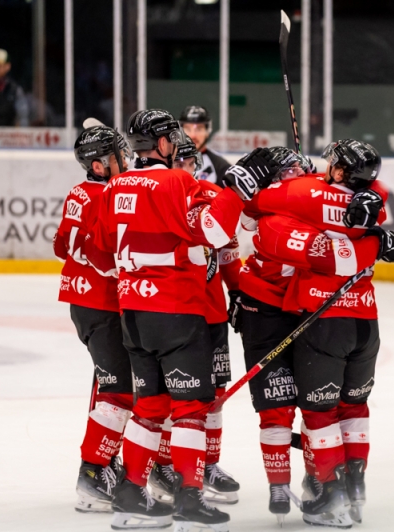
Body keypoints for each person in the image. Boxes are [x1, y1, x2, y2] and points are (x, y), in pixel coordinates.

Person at [91, 108, 279, 531]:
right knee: (192, 408)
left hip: (133, 313)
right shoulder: (178, 181)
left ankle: (130, 496)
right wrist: (234, 192)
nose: (178, 143)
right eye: (172, 137)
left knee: (150, 406)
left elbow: (104, 249)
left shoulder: (114, 186)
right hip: (176, 312)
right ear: (159, 144)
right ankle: (190, 500)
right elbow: (213, 231)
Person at [240, 140, 394, 527]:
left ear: (341, 171)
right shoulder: (372, 199)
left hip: (324, 320)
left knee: (320, 412)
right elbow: (373, 198)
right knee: (354, 409)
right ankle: (354, 487)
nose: (323, 165)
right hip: (366, 321)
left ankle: (330, 494)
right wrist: (379, 238)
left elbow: (257, 209)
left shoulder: (300, 196)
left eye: (332, 163)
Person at [147, 132, 242, 506]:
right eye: (182, 163)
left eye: (193, 164)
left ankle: (207, 464)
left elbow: (230, 248)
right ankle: (166, 465)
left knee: (214, 396)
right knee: (177, 397)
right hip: (177, 313)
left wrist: (239, 293)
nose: (189, 169)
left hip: (212, 312)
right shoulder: (161, 200)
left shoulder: (211, 198)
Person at [228, 146, 313, 524]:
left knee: (313, 404)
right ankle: (281, 486)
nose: (299, 172)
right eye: (291, 169)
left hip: (292, 310)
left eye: (300, 167)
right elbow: (231, 239)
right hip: (270, 310)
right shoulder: (259, 208)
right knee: (279, 405)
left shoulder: (304, 199)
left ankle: (309, 482)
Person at [53, 122, 133, 513]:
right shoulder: (105, 195)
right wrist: (131, 268)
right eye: (119, 155)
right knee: (120, 392)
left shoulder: (81, 191)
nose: (127, 159)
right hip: (101, 305)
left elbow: (61, 243)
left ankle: (105, 462)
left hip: (85, 303)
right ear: (100, 165)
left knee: (108, 386)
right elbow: (101, 255)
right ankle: (93, 471)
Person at [179, 105, 231, 187]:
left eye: (199, 129)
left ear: (207, 131)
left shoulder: (221, 166)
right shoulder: (168, 161)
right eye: (188, 129)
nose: (193, 135)